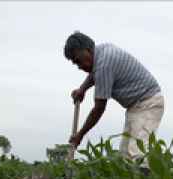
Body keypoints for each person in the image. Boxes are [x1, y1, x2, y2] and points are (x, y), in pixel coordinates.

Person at [64, 31, 164, 160]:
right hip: (135, 107)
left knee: (138, 154)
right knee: (125, 157)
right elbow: (94, 73)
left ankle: (146, 173)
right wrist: (82, 89)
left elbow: (99, 108)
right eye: (76, 63)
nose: (79, 66)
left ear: (87, 50)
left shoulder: (104, 64)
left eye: (78, 61)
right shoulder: (101, 52)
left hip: (148, 103)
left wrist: (80, 135)